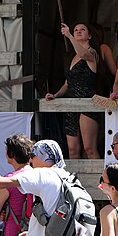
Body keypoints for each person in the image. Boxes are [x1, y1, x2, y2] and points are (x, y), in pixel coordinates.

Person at [45, 22, 101, 159]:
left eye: (83, 29)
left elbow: (84, 55)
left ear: (90, 36)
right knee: (72, 149)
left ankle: (101, 179)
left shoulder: (92, 52)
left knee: (89, 148)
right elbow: (67, 83)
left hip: (87, 104)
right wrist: (56, 95)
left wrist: (69, 36)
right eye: (76, 30)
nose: (78, 31)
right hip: (71, 104)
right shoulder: (71, 57)